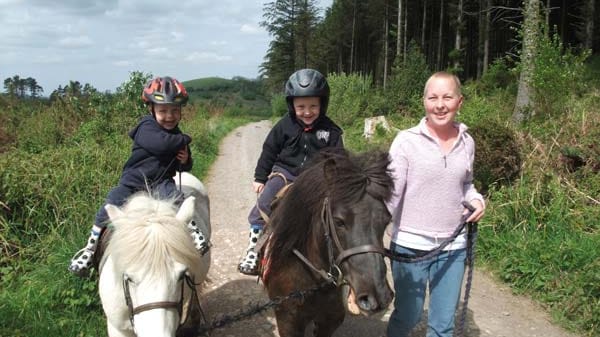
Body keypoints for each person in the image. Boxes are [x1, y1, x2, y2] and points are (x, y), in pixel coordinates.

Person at [68, 76, 210, 277]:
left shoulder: (174, 134)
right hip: (133, 181)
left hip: (160, 182)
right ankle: (89, 250)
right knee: (110, 205)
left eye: (175, 111)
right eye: (163, 111)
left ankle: (195, 236)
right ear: (151, 110)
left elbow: (184, 165)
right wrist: (185, 139)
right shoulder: (146, 127)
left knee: (178, 201)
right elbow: (161, 145)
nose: (169, 116)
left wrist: (186, 158)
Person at [386, 71, 486, 337]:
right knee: (408, 316)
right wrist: (370, 232)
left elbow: (466, 184)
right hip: (410, 247)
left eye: (447, 97)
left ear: (459, 102)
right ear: (424, 102)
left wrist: (475, 199)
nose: (440, 105)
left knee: (443, 325)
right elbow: (390, 194)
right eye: (433, 98)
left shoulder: (467, 143)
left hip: (452, 248)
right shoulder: (405, 141)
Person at [237, 68, 344, 276]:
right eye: (301, 106)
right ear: (291, 105)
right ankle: (253, 251)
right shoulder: (283, 126)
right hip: (284, 173)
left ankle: (336, 257)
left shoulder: (331, 130)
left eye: (313, 106)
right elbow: (269, 151)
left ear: (323, 104)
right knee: (263, 204)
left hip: (316, 179)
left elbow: (339, 159)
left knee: (335, 215)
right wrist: (260, 177)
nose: (307, 111)